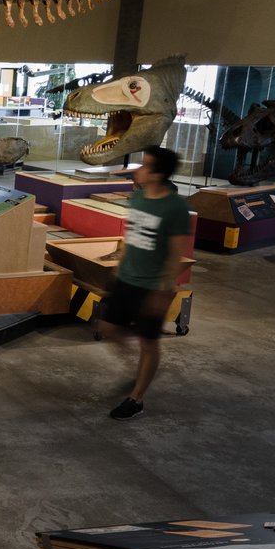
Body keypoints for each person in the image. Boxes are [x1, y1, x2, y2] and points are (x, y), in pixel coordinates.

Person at [95, 145, 192, 420]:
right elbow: (130, 236)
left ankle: (136, 399)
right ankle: (141, 365)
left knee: (149, 343)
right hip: (126, 278)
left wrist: (163, 290)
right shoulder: (137, 199)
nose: (139, 169)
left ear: (157, 175)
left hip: (152, 285)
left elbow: (175, 254)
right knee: (109, 329)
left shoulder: (175, 208)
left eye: (145, 165)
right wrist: (117, 269)